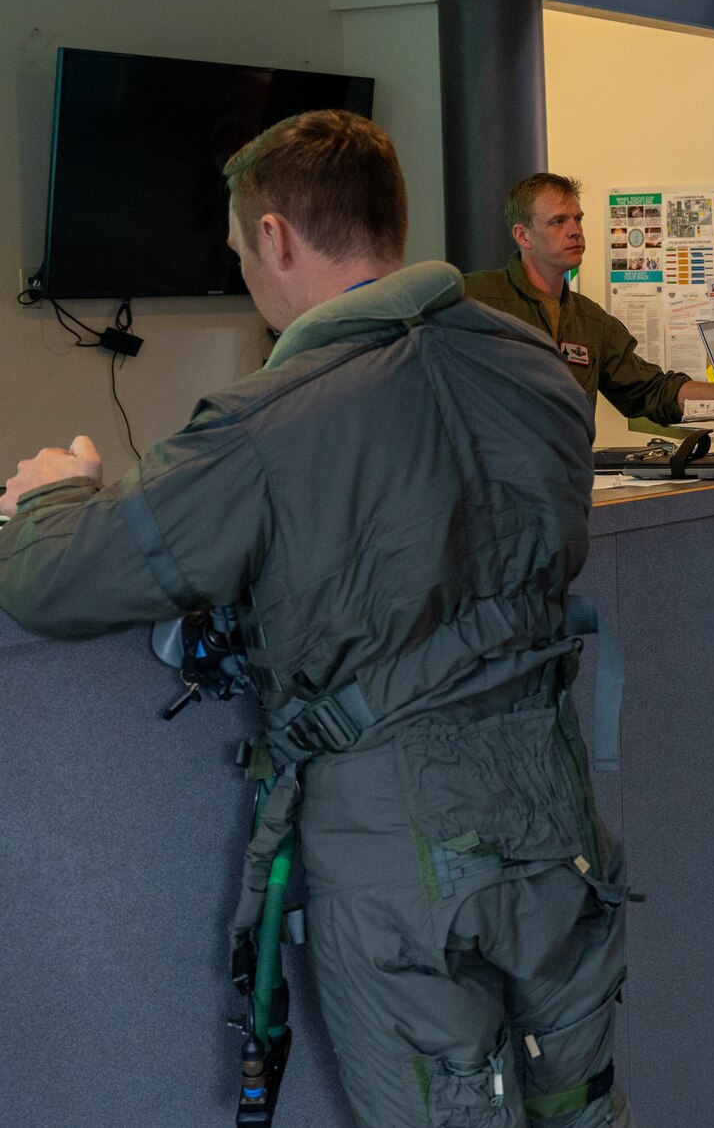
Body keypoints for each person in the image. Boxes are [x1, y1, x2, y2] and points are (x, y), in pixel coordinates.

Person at [0, 112, 630, 1126]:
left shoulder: (270, 422)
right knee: (581, 1099)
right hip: (556, 812)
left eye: (243, 244)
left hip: (401, 847)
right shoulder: (537, 370)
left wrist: (51, 493)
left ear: (278, 235)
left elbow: (52, 580)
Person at [465, 172, 714, 430]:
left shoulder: (589, 320)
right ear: (523, 236)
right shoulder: (476, 298)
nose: (574, 230)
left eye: (577, 218)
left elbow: (652, 392)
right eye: (558, 221)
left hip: (565, 481)